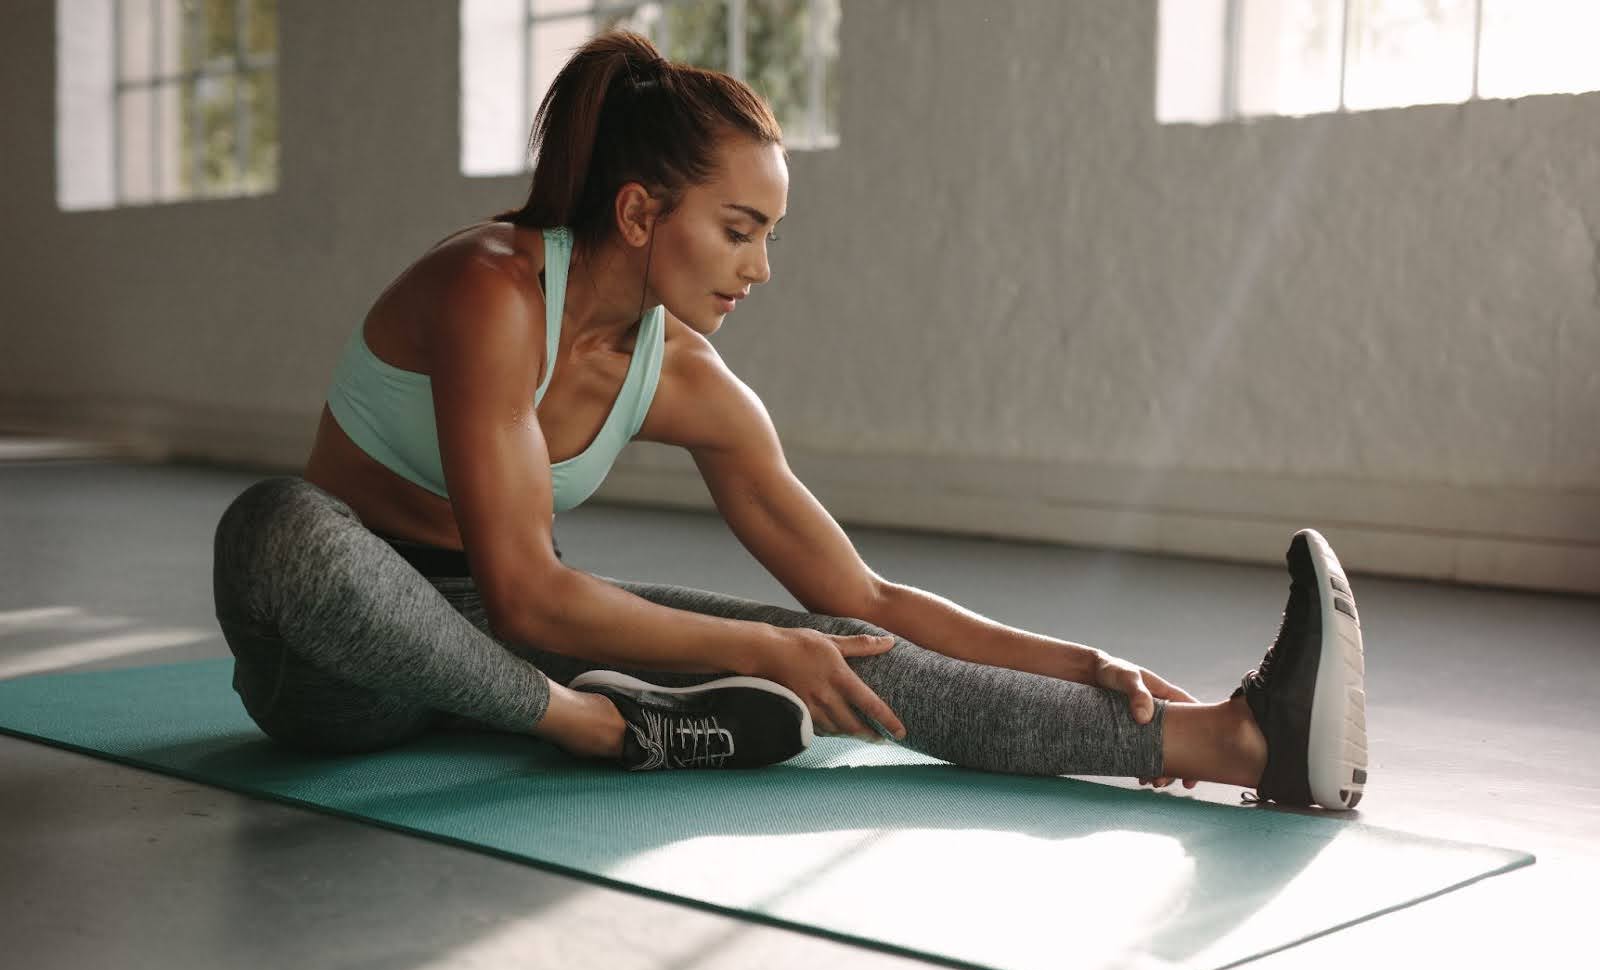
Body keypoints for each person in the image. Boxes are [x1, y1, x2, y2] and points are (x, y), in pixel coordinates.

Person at [211, 30, 1368, 809]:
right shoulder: (491, 293)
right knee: (275, 525)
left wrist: (1078, 661)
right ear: (637, 209)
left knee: (841, 650)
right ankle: (601, 728)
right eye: (738, 227)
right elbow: (523, 590)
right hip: (340, 667)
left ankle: (1235, 741)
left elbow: (863, 598)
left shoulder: (693, 383)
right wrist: (761, 651)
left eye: (771, 234)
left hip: (503, 642)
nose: (761, 267)